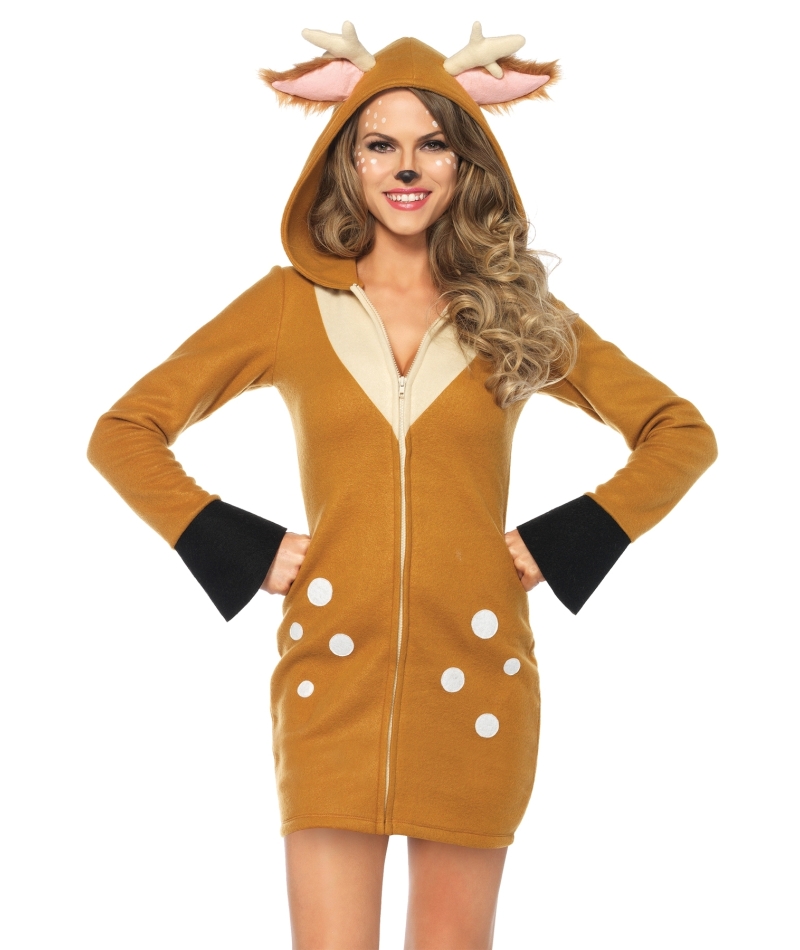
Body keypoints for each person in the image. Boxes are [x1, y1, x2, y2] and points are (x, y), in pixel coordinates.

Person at [87, 23, 717, 950]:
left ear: (467, 164)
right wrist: (242, 547)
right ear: (346, 161)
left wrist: (565, 540)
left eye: (435, 144)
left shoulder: (515, 312)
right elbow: (124, 431)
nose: (408, 167)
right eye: (381, 144)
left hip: (480, 677)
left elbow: (679, 432)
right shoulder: (288, 305)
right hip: (329, 681)